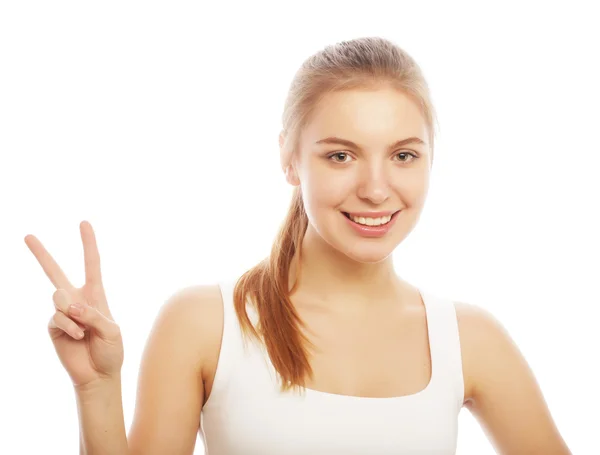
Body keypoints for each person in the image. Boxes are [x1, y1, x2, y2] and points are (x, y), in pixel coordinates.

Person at [25, 36, 571, 455]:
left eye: (404, 155)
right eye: (341, 155)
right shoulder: (204, 323)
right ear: (289, 158)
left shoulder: (469, 339)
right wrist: (97, 388)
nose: (376, 188)